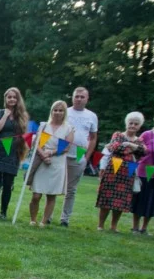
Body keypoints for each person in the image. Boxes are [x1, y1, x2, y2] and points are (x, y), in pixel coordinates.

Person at [96, 112, 146, 232]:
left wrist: (128, 145)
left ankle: (114, 226)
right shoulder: (118, 134)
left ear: (139, 126)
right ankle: (100, 225)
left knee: (121, 200)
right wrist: (134, 148)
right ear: (126, 123)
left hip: (128, 174)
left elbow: (143, 152)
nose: (133, 125)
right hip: (112, 171)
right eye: (131, 123)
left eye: (136, 124)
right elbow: (115, 147)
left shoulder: (140, 140)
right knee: (106, 198)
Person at [27, 101, 75, 226]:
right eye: (55, 110)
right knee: (36, 195)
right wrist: (43, 155)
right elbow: (36, 143)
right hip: (41, 162)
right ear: (51, 111)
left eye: (61, 110)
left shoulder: (68, 128)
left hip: (57, 163)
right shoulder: (43, 126)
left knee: (51, 195)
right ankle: (33, 219)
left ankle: (44, 221)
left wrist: (50, 153)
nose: (57, 113)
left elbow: (66, 147)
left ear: (64, 112)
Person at [60, 87, 99, 227]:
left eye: (82, 97)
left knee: (71, 189)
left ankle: (65, 218)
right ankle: (48, 215)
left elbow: (93, 137)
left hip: (79, 156)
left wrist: (87, 156)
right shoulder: (65, 112)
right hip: (61, 153)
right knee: (55, 185)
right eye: (77, 96)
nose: (79, 99)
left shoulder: (92, 116)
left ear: (87, 99)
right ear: (72, 97)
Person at [0, 87, 29, 219]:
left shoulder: (22, 116)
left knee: (8, 184)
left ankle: (4, 212)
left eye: (14, 97)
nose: (12, 99)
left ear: (18, 100)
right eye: (9, 97)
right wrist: (6, 115)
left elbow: (24, 134)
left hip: (13, 153)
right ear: (5, 99)